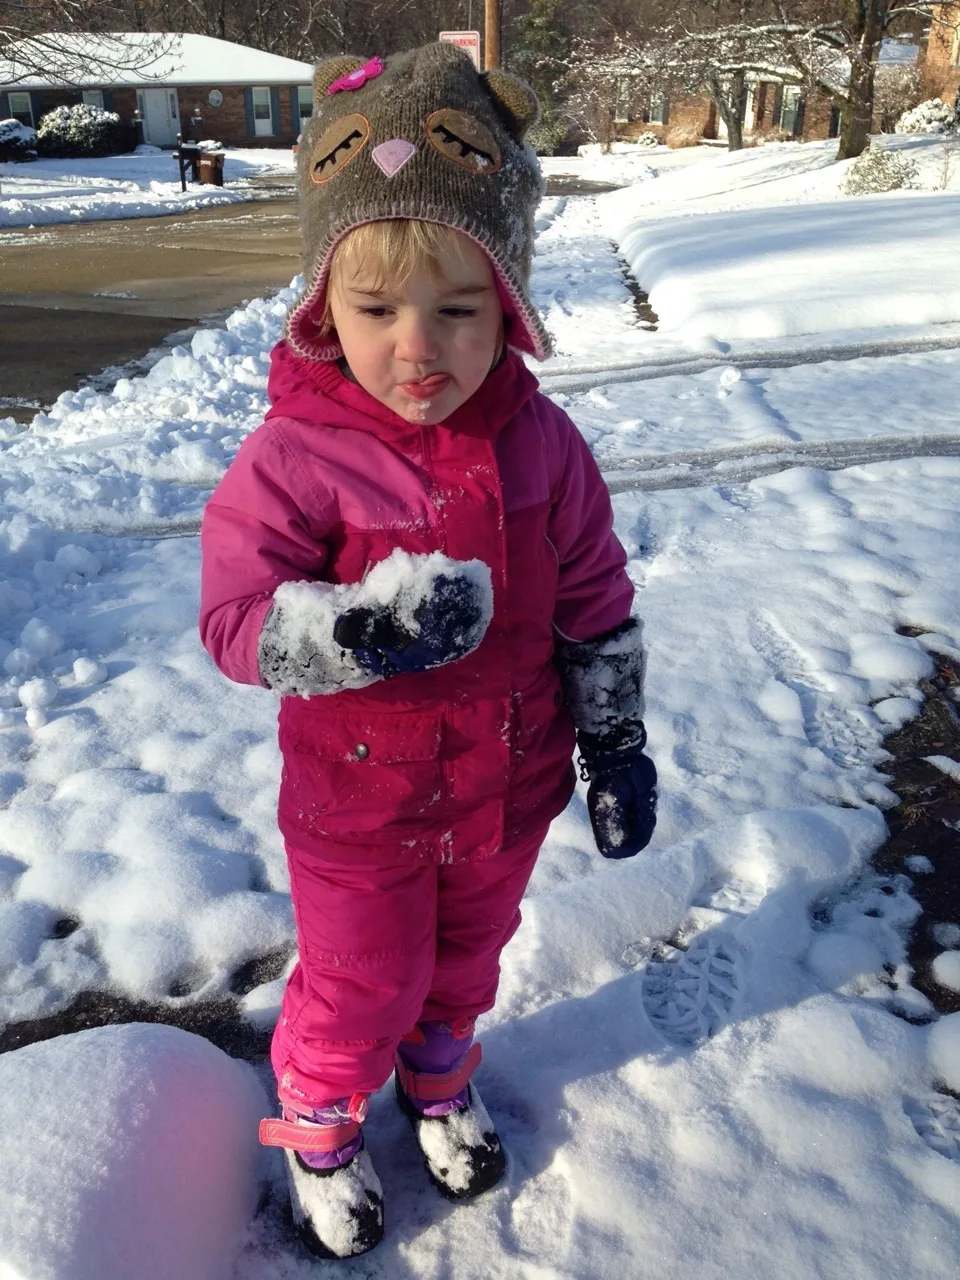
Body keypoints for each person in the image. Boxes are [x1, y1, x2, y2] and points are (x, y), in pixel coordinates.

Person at [199, 42, 657, 1261]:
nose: (421, 348)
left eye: (460, 311)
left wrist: (613, 736)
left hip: (506, 790)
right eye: (377, 311)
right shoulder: (296, 457)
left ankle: (442, 1081)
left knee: (463, 965)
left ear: (506, 306)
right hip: (359, 805)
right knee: (357, 985)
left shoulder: (541, 445)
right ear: (319, 306)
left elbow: (596, 595)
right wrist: (350, 629)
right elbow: (236, 616)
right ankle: (319, 1123)